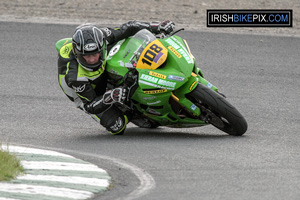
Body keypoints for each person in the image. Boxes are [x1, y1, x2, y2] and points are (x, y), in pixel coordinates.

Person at [57, 20, 175, 135]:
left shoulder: (102, 36)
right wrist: (109, 97)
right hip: (85, 93)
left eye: (95, 54)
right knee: (118, 126)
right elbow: (90, 106)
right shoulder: (75, 78)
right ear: (78, 55)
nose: (92, 60)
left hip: (99, 71)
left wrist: (156, 27)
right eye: (86, 57)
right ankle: (133, 112)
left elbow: (129, 27)